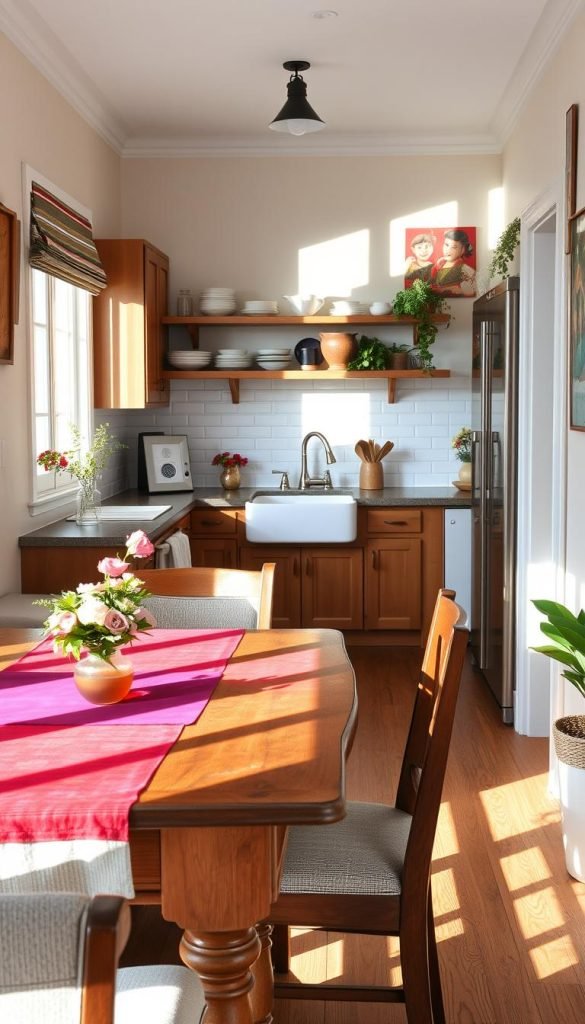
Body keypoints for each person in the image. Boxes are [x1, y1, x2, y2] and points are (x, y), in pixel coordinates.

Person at [430, 229, 477, 297]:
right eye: (446, 245)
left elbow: (474, 289)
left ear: (462, 250)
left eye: (454, 247)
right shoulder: (439, 264)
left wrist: (457, 290)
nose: (448, 250)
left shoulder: (464, 269)